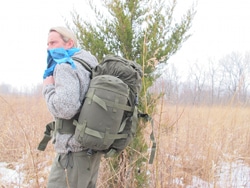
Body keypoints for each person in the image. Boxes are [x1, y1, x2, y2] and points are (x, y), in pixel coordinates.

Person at [42, 26, 102, 188]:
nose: (49, 48)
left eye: (53, 43)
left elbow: (66, 108)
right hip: (91, 149)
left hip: (73, 153)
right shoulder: (89, 64)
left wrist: (48, 87)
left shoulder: (65, 66)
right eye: (47, 44)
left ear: (69, 44)